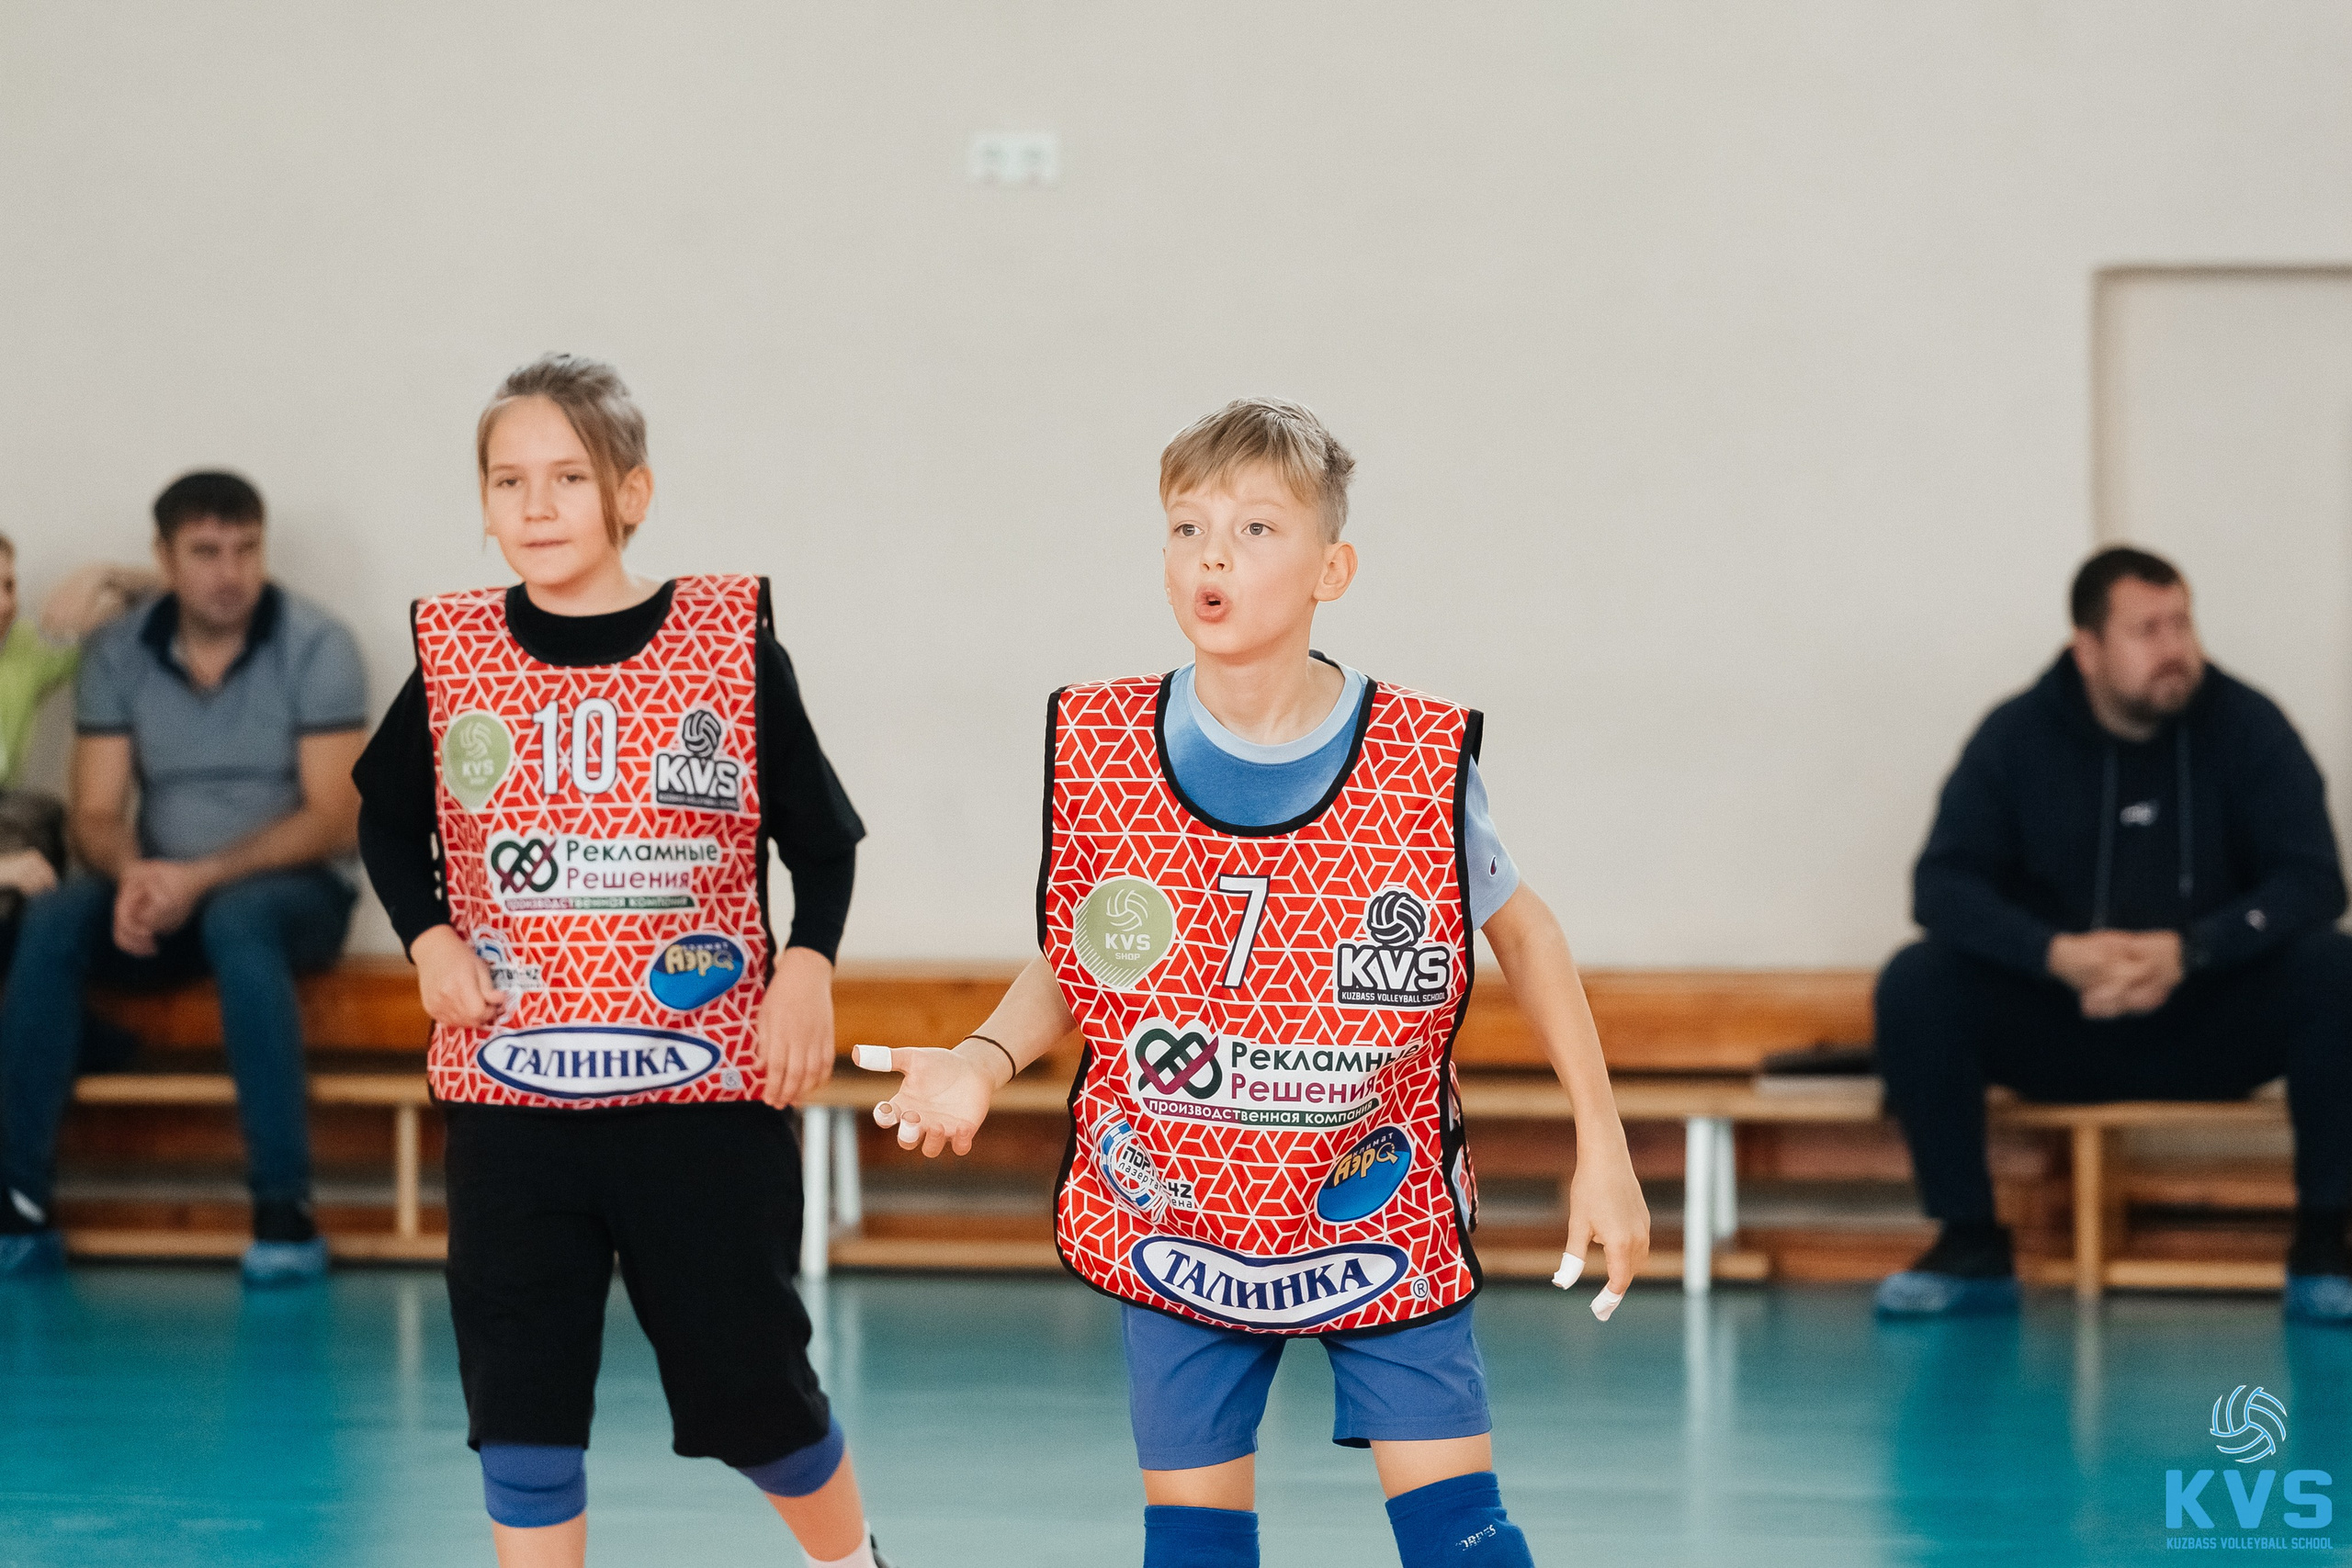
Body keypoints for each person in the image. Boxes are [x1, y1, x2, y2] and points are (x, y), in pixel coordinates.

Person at [861, 398, 1651, 1568]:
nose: (1212, 553)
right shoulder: (1106, 741)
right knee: (1192, 1545)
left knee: (1462, 1536)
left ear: (1333, 566)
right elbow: (1091, 951)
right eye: (1186, 527)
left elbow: (1526, 936)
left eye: (1254, 528)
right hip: (1176, 1203)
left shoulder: (1415, 754)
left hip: (1369, 1198)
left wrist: (1605, 1140)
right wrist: (984, 1059)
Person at [351, 355, 886, 1568]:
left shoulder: (728, 642)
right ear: (483, 505)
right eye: (509, 480)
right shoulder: (454, 654)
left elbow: (824, 837)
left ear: (630, 493)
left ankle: (852, 1556)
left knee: (754, 1385)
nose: (537, 506)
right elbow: (385, 813)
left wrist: (807, 962)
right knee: (521, 1396)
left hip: (697, 1099)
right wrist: (427, 933)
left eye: (568, 478)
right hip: (511, 1096)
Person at [1874, 546, 2352, 1324]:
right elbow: (1941, 884)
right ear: (2087, 649)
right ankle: (1971, 1243)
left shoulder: (2248, 726)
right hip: (2066, 1022)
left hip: (2207, 1019)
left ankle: (2326, 1245)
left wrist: (2190, 950)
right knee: (1918, 981)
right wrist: (2055, 955)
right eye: (2147, 629)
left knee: (2335, 968)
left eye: (2182, 624)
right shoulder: (2017, 736)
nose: (2175, 648)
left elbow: (2315, 880)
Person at [0, 472, 365, 1285]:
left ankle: (284, 1208)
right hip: (164, 892)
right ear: (164, 559)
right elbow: (92, 809)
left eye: (245, 550)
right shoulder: (121, 651)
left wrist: (197, 877)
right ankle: (17, 1204)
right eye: (205, 552)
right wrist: (136, 875)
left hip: (295, 895)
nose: (228, 572)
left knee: (239, 919)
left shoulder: (317, 644)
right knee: (55, 917)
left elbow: (336, 817)